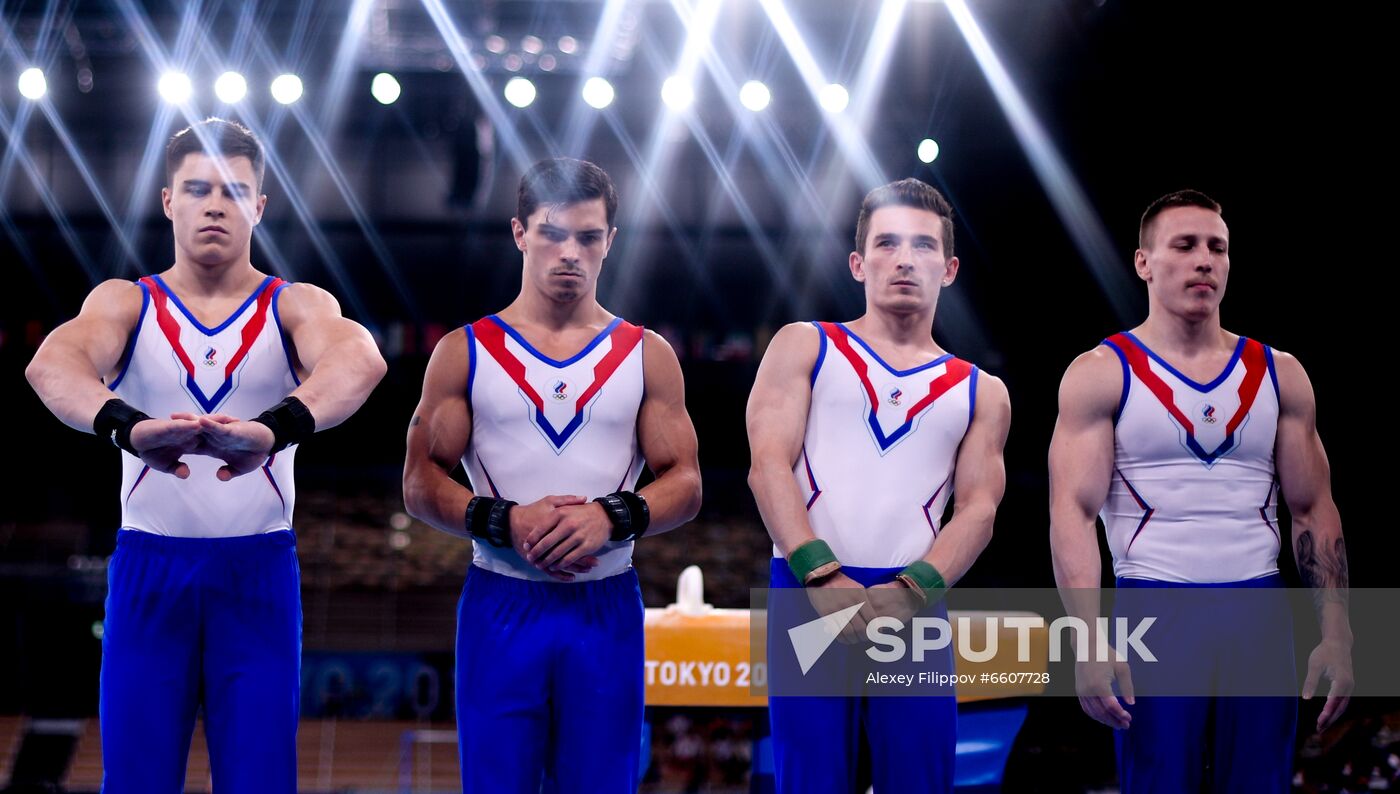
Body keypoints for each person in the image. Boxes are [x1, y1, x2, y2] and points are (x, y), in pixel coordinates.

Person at [24, 117, 386, 793]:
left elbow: (359, 359)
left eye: (232, 189)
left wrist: (276, 428)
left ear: (259, 205)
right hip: (148, 567)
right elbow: (53, 364)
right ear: (168, 201)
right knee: (135, 778)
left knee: (258, 779)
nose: (214, 203)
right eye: (196, 188)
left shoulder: (293, 306)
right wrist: (127, 427)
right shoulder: (126, 301)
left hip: (257, 572)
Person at [402, 157, 702, 793]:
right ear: (519, 233)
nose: (570, 252)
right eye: (551, 233)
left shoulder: (648, 355)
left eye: (588, 237)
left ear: (610, 242)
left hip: (606, 606)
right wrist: (502, 519)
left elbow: (687, 483)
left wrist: (612, 515)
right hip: (500, 605)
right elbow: (419, 481)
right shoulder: (465, 351)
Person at [1048, 189, 1353, 792]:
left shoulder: (1280, 374)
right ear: (1144, 262)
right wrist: (1084, 641)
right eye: (1185, 246)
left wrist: (1339, 632)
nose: (1204, 260)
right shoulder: (1101, 373)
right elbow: (1072, 514)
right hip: (1154, 609)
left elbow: (1313, 508)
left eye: (1217, 247)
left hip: (1261, 613)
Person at [746, 178, 1010, 793]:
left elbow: (977, 509)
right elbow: (767, 465)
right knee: (809, 780)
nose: (904, 258)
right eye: (887, 244)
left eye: (922, 246)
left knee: (919, 780)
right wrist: (820, 573)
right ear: (858, 263)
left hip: (914, 601)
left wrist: (913, 589)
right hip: (806, 590)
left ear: (948, 269)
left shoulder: (981, 391)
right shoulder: (806, 345)